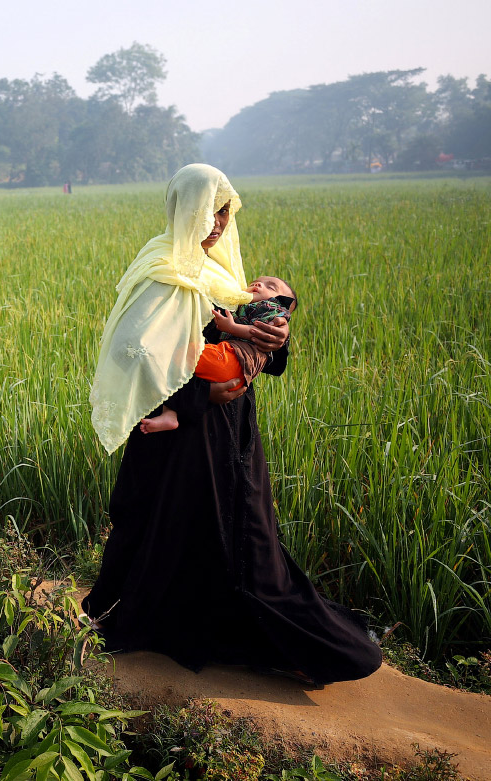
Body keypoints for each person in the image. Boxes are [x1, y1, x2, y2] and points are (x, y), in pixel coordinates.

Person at [83, 164, 381, 686]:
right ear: (183, 210)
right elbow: (136, 351)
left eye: (225, 211)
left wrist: (276, 340)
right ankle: (153, 627)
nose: (218, 222)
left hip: (230, 433)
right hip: (179, 439)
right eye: (209, 210)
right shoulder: (161, 268)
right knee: (166, 524)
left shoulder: (218, 270)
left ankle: (281, 637)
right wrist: (200, 394)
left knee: (242, 535)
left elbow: (254, 337)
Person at [139, 275, 295, 434]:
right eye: (255, 281)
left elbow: (264, 343)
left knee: (176, 357)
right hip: (186, 411)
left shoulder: (265, 306)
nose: (258, 284)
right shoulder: (160, 271)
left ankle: (170, 413)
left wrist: (280, 336)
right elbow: (138, 348)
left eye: (271, 287)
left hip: (228, 402)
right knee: (174, 359)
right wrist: (200, 393)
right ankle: (170, 413)